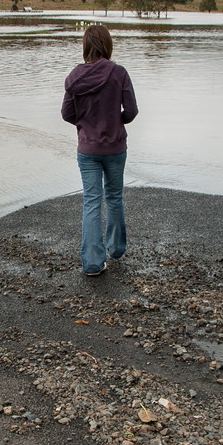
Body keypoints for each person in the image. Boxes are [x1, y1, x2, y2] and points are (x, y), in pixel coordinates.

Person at [61, 24, 139, 276]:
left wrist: (86, 124)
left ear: (85, 46)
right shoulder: (119, 73)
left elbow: (67, 114)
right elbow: (132, 111)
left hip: (88, 149)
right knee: (114, 196)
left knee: (92, 202)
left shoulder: (74, 76)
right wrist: (116, 120)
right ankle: (115, 249)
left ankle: (93, 263)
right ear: (107, 45)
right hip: (115, 147)